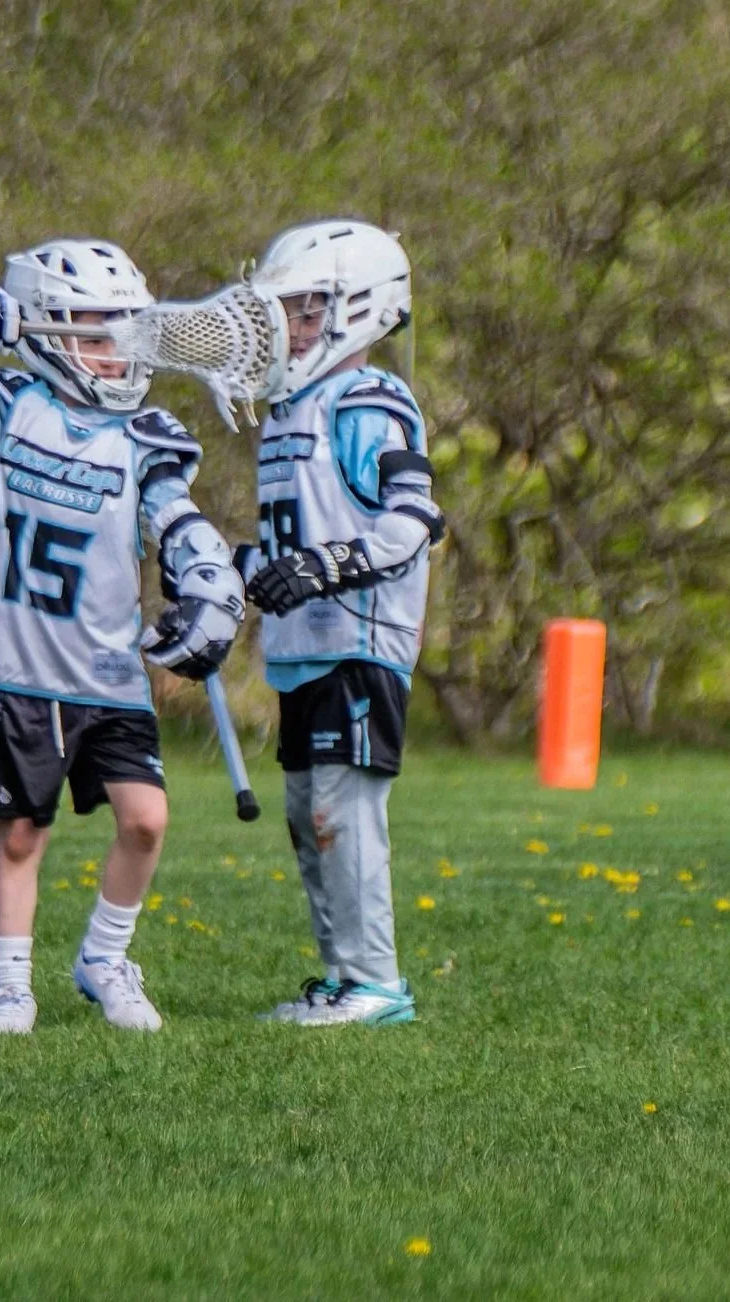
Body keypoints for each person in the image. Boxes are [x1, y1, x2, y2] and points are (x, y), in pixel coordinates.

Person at [0, 240, 244, 1033]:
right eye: (92, 331)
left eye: (123, 331)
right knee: (23, 832)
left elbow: (174, 518)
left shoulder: (146, 433)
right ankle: (9, 983)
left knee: (146, 818)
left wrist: (210, 585)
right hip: (25, 661)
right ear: (43, 332)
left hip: (110, 665)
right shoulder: (7, 402)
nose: (114, 350)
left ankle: (104, 958)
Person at [241, 220, 444, 1027]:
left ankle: (375, 982)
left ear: (354, 309)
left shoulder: (369, 400)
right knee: (304, 811)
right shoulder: (288, 409)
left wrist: (322, 568)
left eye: (302, 309)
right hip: (304, 645)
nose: (286, 327)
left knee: (340, 809)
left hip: (358, 639)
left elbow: (411, 522)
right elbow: (300, 524)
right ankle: (339, 974)